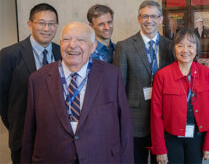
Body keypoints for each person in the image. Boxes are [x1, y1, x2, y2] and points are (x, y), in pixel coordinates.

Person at [21, 22, 134, 163]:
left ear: (92, 47)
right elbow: (29, 133)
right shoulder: (38, 79)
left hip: (100, 157)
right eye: (67, 39)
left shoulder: (111, 75)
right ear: (61, 44)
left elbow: (125, 126)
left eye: (81, 40)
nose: (72, 45)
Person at [114, 0, 173, 164]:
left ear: (161, 19)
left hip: (163, 119)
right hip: (135, 120)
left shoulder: (170, 46)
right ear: (138, 19)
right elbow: (118, 88)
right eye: (145, 16)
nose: (149, 20)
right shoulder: (124, 46)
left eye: (154, 16)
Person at [0, 3, 60, 164]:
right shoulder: (9, 55)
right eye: (41, 23)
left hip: (56, 136)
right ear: (30, 24)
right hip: (23, 135)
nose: (47, 28)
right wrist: (16, 126)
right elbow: (3, 99)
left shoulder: (61, 52)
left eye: (52, 23)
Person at [150, 28, 209, 164]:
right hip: (171, 138)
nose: (185, 50)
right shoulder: (162, 75)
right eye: (180, 46)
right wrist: (160, 149)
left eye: (190, 46)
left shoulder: (205, 73)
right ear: (174, 50)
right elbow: (156, 114)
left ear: (197, 49)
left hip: (197, 137)